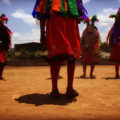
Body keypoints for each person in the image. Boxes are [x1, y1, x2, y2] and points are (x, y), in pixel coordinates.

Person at [32, 0, 88, 98]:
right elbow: (79, 17)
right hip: (71, 24)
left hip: (56, 21)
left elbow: (42, 14)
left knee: (55, 56)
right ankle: (69, 89)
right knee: (71, 56)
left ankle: (55, 90)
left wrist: (42, 34)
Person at [106, 8, 120, 78]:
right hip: (117, 45)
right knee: (117, 61)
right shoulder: (114, 27)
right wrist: (107, 40)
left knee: (117, 61)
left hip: (117, 45)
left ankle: (117, 74)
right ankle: (117, 74)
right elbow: (110, 33)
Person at [0, 14, 12, 80]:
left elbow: (11, 33)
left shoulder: (5, 27)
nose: (3, 21)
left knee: (2, 62)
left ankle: (0, 76)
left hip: (3, 46)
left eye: (4, 20)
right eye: (2, 19)